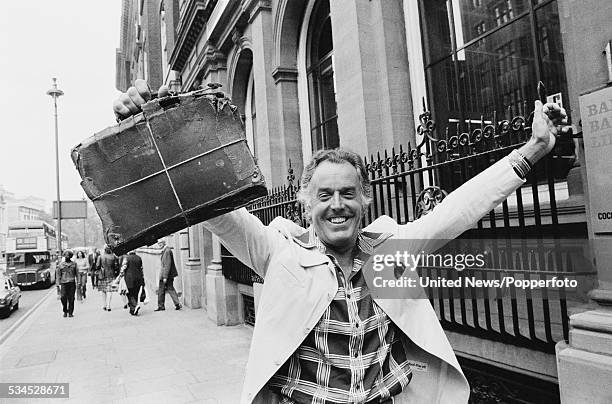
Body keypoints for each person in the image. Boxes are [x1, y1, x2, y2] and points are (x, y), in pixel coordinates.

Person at [114, 80, 566, 403]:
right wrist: (156, 134)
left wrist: (534, 149)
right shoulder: (279, 253)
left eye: (348, 193)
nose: (337, 205)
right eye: (324, 195)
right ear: (305, 204)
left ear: (365, 200)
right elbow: (216, 209)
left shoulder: (390, 252)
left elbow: (460, 210)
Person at [154, 238, 182, 311]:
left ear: (164, 243)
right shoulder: (166, 250)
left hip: (165, 275)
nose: (159, 245)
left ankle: (161, 306)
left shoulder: (167, 251)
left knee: (161, 290)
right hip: (168, 274)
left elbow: (167, 265)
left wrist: (165, 277)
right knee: (170, 288)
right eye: (158, 243)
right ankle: (177, 304)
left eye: (160, 243)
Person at [120, 250, 145, 315]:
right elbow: (141, 268)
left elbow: (123, 268)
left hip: (129, 279)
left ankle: (135, 305)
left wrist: (120, 276)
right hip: (138, 278)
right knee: (135, 294)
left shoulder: (127, 258)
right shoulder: (139, 258)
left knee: (129, 294)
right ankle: (133, 310)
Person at [56, 250, 79, 317]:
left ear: (71, 256)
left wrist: (79, 282)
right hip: (63, 283)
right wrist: (57, 285)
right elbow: (58, 275)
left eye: (69, 255)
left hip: (71, 282)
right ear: (64, 256)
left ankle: (71, 312)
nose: (67, 256)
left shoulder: (74, 264)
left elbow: (77, 274)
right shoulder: (60, 265)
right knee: (63, 297)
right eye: (66, 255)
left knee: (71, 298)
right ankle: (65, 310)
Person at [97, 245, 118, 311]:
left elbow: (97, 266)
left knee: (103, 291)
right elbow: (116, 266)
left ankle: (104, 305)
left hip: (102, 275)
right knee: (109, 291)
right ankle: (108, 305)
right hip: (111, 275)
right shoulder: (114, 256)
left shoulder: (100, 257)